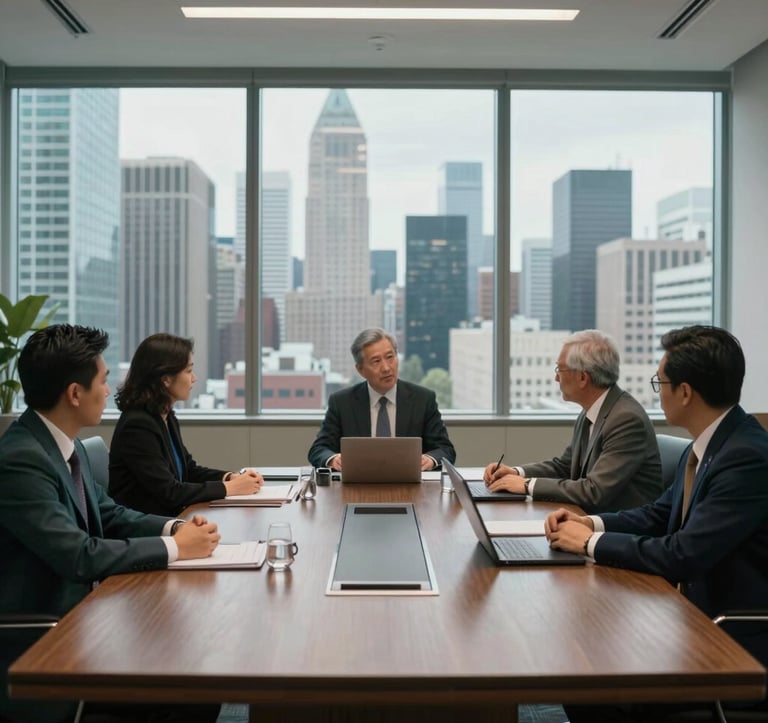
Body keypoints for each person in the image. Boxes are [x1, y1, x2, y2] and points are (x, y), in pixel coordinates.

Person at [546, 325, 768, 722]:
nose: (657, 391)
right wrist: (590, 523)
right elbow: (657, 515)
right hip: (691, 614)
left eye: (660, 381)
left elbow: (683, 554)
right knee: (579, 663)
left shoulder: (745, 457)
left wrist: (587, 545)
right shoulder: (710, 443)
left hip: (730, 637)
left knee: (590, 679)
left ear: (685, 392)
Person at [0, 324, 221, 723]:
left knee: (198, 670)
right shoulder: (21, 460)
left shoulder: (64, 447)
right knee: (193, 687)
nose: (108, 390)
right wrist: (176, 549)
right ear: (74, 393)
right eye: (102, 381)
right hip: (47, 641)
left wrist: (174, 529)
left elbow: (110, 513)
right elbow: (78, 556)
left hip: (88, 617)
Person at [483, 329, 662, 513]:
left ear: (583, 377)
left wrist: (527, 485)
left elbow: (595, 490)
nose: (556, 377)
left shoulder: (626, 419)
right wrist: (516, 472)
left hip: (619, 531)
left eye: (560, 369)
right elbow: (565, 467)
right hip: (587, 518)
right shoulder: (592, 410)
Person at [109, 333, 263, 516]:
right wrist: (229, 488)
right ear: (166, 379)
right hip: (145, 529)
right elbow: (170, 492)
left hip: (171, 518)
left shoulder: (165, 416)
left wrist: (230, 477)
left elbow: (188, 470)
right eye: (189, 371)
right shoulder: (137, 426)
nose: (194, 378)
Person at [308, 327, 455, 471]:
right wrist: (333, 460)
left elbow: (445, 449)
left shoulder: (423, 399)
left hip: (410, 487)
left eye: (390, 357)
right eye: (376, 361)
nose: (386, 368)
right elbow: (318, 449)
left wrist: (430, 459)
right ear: (360, 369)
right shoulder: (342, 402)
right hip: (358, 486)